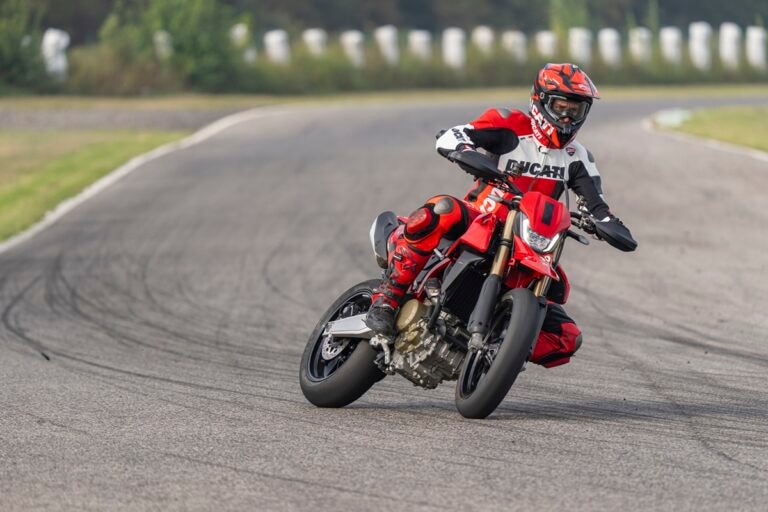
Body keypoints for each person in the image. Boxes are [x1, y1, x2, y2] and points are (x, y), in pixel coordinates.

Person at [364, 63, 635, 368]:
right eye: (561, 108)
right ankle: (387, 298)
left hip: (530, 240)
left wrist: (607, 224)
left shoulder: (578, 157)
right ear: (540, 101)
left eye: (576, 110)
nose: (567, 118)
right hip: (481, 218)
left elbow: (597, 205)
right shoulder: (509, 124)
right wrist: (463, 150)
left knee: (567, 337)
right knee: (442, 209)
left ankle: (499, 346)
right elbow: (453, 135)